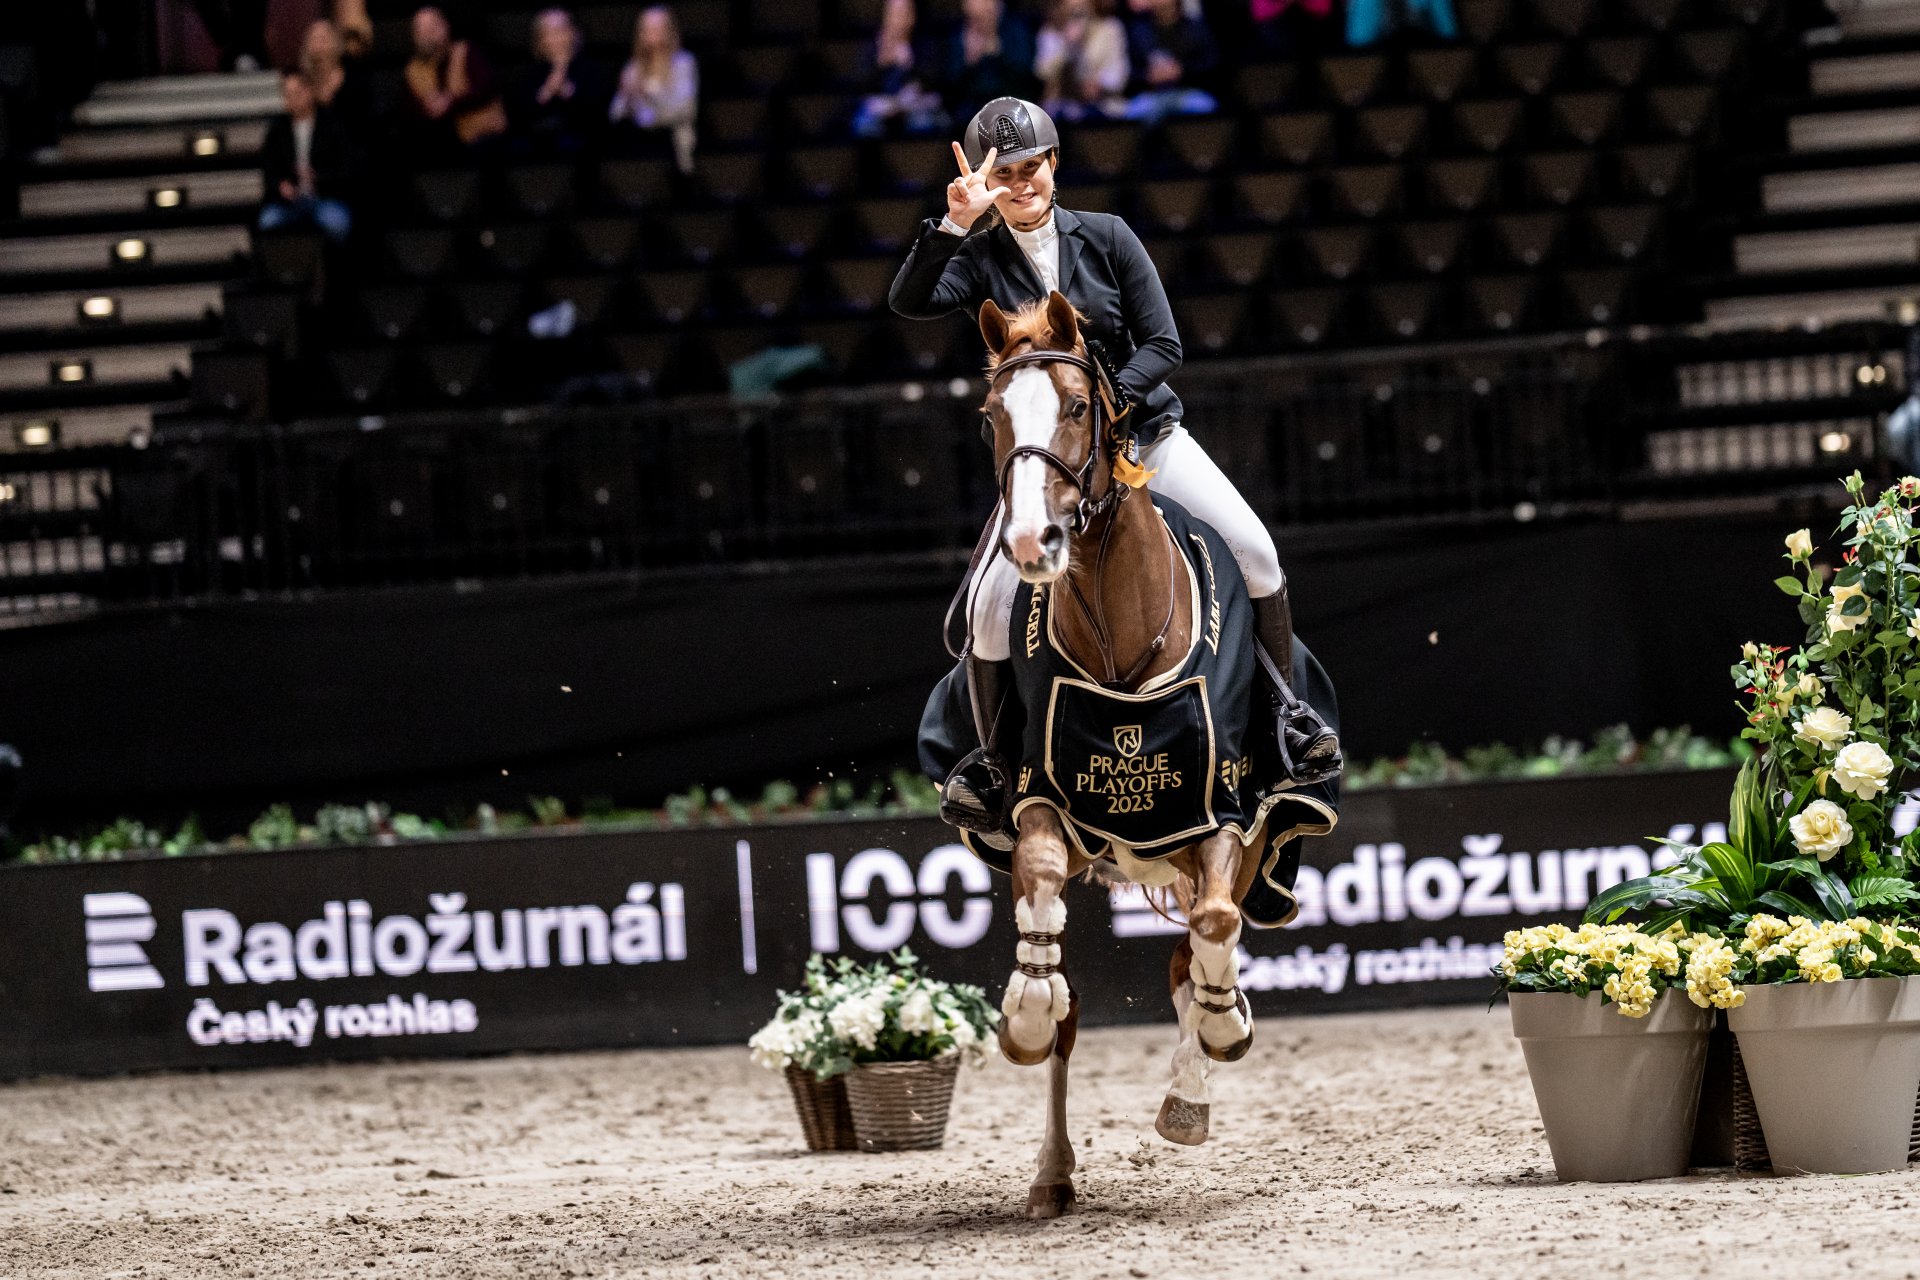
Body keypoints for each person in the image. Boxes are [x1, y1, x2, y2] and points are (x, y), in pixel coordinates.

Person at [888, 97, 1340, 837]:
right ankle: (992, 765)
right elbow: (909, 301)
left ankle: (1288, 719)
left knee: (1257, 553)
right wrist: (953, 226)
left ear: (1054, 164)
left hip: (1142, 441)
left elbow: (1164, 345)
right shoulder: (978, 258)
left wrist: (1108, 408)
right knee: (988, 611)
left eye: (1031, 168)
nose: (1021, 184)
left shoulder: (1107, 236)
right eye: (1005, 175)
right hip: (1049, 467)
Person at [257, 69, 354, 245]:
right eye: (288, 95)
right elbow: (269, 169)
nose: (293, 99)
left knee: (337, 224)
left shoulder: (331, 125)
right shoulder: (278, 130)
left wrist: (318, 178)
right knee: (268, 222)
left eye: (297, 93)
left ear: (309, 91)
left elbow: (346, 169)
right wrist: (281, 185)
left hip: (325, 197)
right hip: (288, 203)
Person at [403, 6, 508, 156]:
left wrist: (451, 102)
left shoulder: (467, 51)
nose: (428, 35)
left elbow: (487, 87)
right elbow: (408, 109)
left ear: (445, 26)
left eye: (433, 27)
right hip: (437, 139)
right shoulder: (413, 70)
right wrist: (427, 108)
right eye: (421, 31)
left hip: (481, 135)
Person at [609, 6, 699, 174]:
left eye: (658, 28)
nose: (653, 34)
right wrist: (627, 97)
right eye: (648, 29)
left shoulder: (683, 63)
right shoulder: (633, 67)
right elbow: (615, 113)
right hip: (639, 141)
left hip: (672, 141)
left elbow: (685, 110)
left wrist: (647, 96)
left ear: (669, 30)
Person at [511, 9, 607, 156]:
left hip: (580, 136)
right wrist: (546, 92)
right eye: (548, 33)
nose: (556, 39)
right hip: (538, 137)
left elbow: (597, 113)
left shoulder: (590, 69)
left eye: (560, 31)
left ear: (573, 33)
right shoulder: (530, 73)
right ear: (540, 40)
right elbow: (519, 115)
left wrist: (567, 91)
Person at [851, 0, 948, 139]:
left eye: (905, 13)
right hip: (881, 106)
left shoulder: (923, 43)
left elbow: (934, 81)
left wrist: (910, 64)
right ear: (885, 16)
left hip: (915, 104)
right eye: (895, 14)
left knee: (923, 123)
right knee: (865, 125)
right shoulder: (874, 46)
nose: (900, 19)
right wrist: (881, 64)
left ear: (913, 16)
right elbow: (861, 85)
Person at [1122, 0, 1219, 123]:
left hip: (1187, 90)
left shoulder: (1195, 27)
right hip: (1151, 94)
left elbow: (1211, 64)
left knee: (1205, 106)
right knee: (1132, 113)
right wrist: (1148, 76)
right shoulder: (1138, 31)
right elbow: (1128, 71)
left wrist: (1182, 70)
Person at [1034, 0, 1129, 121]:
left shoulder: (1110, 28)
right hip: (1062, 108)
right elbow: (1043, 73)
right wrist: (1068, 46)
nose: (1078, 11)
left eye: (1082, 6)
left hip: (1104, 106)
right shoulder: (1050, 32)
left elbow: (1118, 75)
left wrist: (1099, 85)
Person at [935, 0, 1037, 108]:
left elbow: (1025, 74)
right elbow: (949, 83)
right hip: (969, 107)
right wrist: (970, 61)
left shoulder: (1016, 30)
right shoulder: (957, 36)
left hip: (1011, 103)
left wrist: (996, 51)